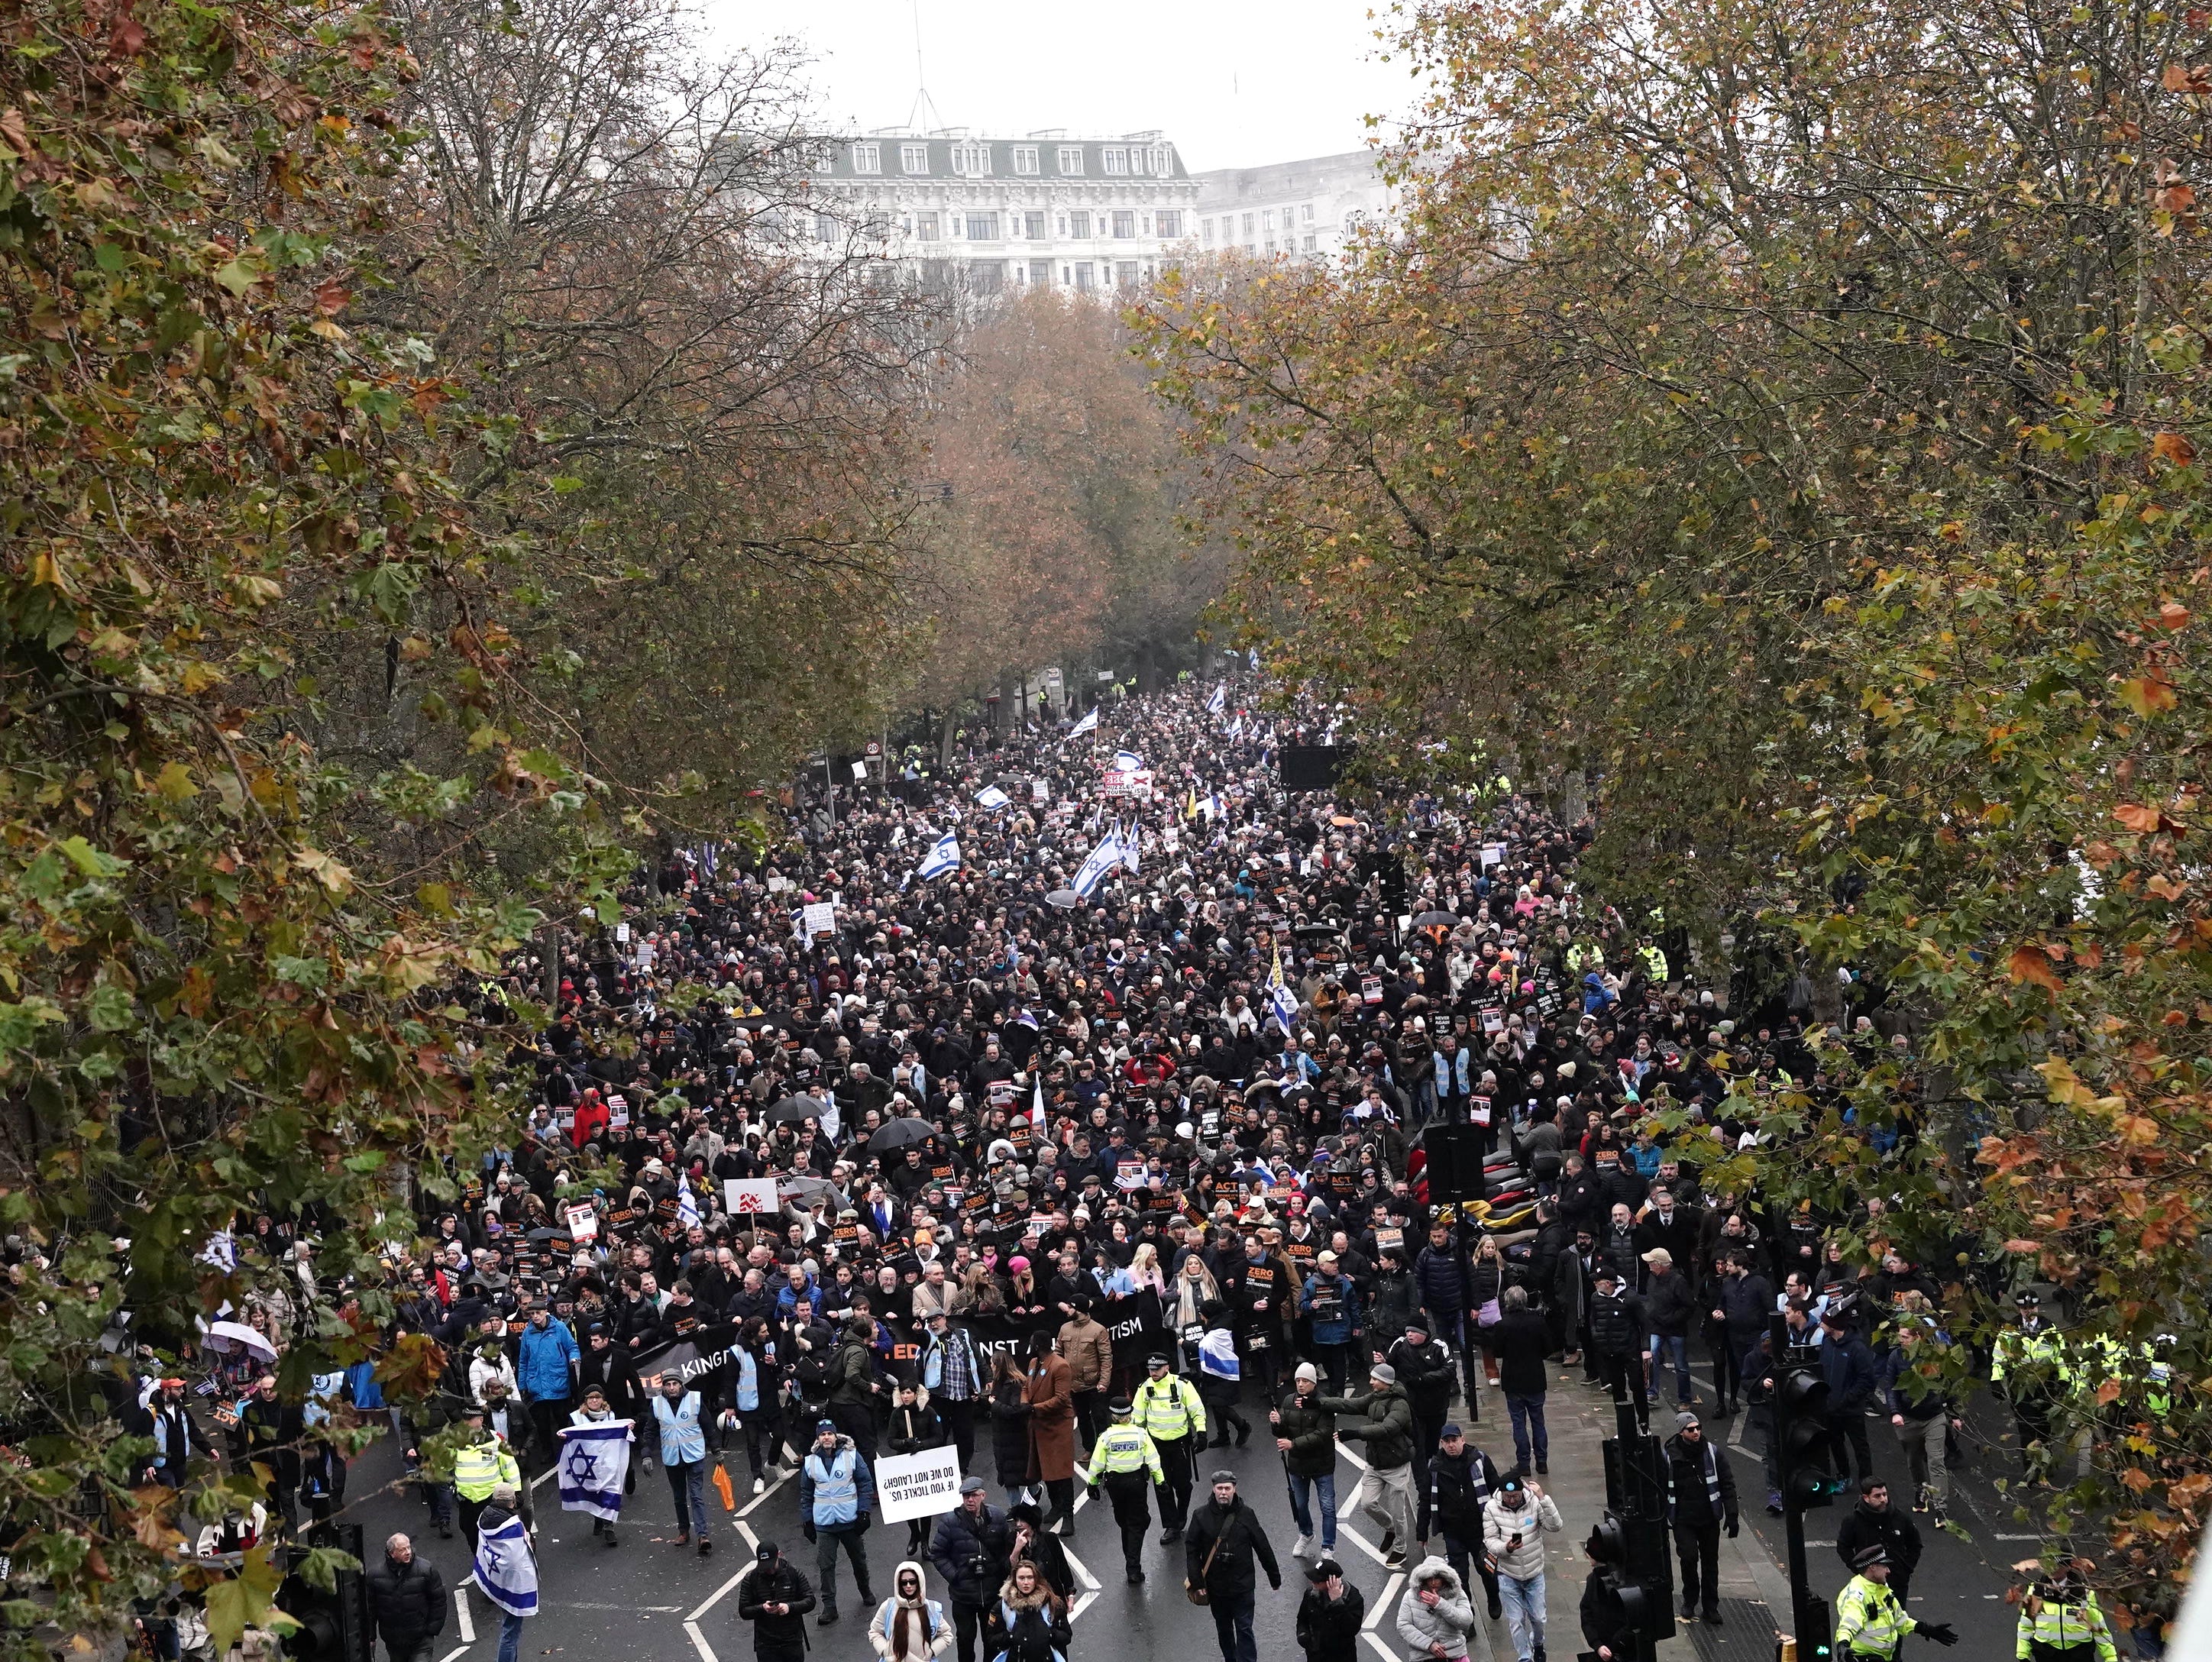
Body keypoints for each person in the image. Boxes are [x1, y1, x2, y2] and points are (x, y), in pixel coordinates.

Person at [1317, 1362, 1418, 1569]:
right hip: (1375, 1463)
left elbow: (1387, 1429)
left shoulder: (1400, 1405)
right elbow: (1349, 1405)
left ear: (1386, 1382)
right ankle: (1390, 1529)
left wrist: (1354, 1434)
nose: (1370, 1382)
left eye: (1375, 1379)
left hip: (1396, 1465)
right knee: (1367, 1504)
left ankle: (1400, 1550)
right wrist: (1319, 1402)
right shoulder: (1374, 1398)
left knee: (1399, 1512)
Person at [1184, 1471, 1282, 1662]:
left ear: (1234, 1490)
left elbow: (1262, 1545)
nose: (1223, 1492)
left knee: (1244, 1628)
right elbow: (1192, 1550)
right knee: (1224, 1629)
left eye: (1227, 1488)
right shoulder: (1201, 1515)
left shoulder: (1246, 1514)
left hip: (1243, 1586)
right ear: (1213, 1489)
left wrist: (1274, 1577)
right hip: (1216, 1587)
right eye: (1219, 1488)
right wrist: (1197, 1582)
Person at [800, 1416, 878, 1624]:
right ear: (818, 1438)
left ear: (836, 1436)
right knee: (825, 1566)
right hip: (824, 1524)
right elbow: (806, 1494)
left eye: (829, 1434)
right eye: (823, 1434)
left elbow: (865, 1483)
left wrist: (864, 1512)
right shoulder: (810, 1462)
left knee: (859, 1560)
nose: (826, 1437)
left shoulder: (851, 1456)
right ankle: (830, 1607)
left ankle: (865, 1590)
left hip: (850, 1520)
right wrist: (807, 1521)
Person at [1663, 1411, 1736, 1625]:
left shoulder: (1713, 1453)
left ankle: (1710, 1607)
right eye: (1691, 1429)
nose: (1696, 1432)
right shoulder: (1668, 1456)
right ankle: (1690, 1600)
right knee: (1688, 1558)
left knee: (1710, 1563)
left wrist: (1732, 1515)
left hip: (1708, 1518)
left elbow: (1727, 1484)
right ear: (1681, 1432)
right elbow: (1659, 1487)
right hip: (1683, 1519)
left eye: (1698, 1428)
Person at [1082, 1395, 1163, 1582]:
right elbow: (1153, 1459)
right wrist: (1161, 1481)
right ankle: (1133, 1566)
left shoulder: (1106, 1437)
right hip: (1136, 1483)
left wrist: (1092, 1484)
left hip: (1115, 1485)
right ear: (1130, 1414)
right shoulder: (1140, 1434)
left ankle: (1130, 1556)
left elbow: (1096, 1463)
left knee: (1124, 1521)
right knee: (1138, 1522)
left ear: (1113, 1416)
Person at [1481, 1476, 1563, 1662]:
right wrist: (1506, 1548)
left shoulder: (1534, 1503)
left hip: (1534, 1574)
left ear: (1522, 1493)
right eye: (1508, 1496)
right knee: (1516, 1621)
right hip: (1508, 1575)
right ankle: (1525, 1657)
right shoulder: (1491, 1508)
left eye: (1515, 1496)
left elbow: (1556, 1526)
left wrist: (1544, 1499)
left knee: (1539, 1619)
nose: (1511, 1500)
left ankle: (1538, 1644)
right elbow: (1490, 1540)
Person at [1425, 1424, 1503, 1621]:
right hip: (1453, 1533)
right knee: (1459, 1579)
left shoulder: (1479, 1460)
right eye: (1447, 1442)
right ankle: (1467, 1615)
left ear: (1463, 1439)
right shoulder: (1435, 1466)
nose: (1451, 1445)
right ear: (1442, 1443)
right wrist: (1421, 1532)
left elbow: (1496, 1490)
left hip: (1480, 1530)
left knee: (1487, 1571)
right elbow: (1426, 1499)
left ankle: (1493, 1598)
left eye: (1455, 1440)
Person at [931, 1476, 1013, 1662]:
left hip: (992, 1594)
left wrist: (1002, 1573)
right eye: (966, 1496)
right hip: (963, 1597)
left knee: (991, 1640)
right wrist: (955, 1576)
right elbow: (938, 1553)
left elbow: (1005, 1549)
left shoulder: (997, 1517)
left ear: (983, 1495)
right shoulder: (950, 1522)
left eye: (974, 1495)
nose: (969, 1500)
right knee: (965, 1640)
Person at [1131, 1350, 1206, 1542]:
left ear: (1167, 1367)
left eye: (1157, 1369)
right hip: (1156, 1446)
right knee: (1162, 1486)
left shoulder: (1182, 1385)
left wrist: (1202, 1432)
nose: (1153, 1373)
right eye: (1150, 1369)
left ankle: (1181, 1516)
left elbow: (1197, 1409)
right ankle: (1172, 1526)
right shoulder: (1144, 1388)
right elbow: (1137, 1419)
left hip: (1180, 1443)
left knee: (1183, 1486)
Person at [1835, 1546, 1956, 1659]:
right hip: (1863, 1657)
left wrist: (1926, 1629)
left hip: (1883, 1657)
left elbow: (1899, 1619)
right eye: (1884, 1566)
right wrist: (1843, 1645)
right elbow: (1849, 1624)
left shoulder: (1881, 1589)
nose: (1888, 1571)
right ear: (1872, 1567)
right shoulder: (1857, 1594)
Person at [1273, 1361, 1338, 1559]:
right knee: (1300, 1505)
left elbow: (1323, 1434)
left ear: (1314, 1383)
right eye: (1298, 1380)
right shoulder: (1288, 1401)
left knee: (1327, 1507)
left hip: (1322, 1465)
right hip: (1297, 1465)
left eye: (1305, 1381)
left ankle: (1328, 1546)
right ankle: (1306, 1534)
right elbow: (1282, 1431)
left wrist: (1293, 1445)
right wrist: (1277, 1424)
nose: (1300, 1384)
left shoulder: (1324, 1404)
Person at [561, 1382, 635, 1547]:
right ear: (585, 1401)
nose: (594, 1401)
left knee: (610, 1489)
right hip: (587, 1462)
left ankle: (609, 1528)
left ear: (603, 1400)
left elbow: (619, 1433)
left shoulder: (611, 1416)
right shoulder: (575, 1417)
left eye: (597, 1397)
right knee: (593, 1490)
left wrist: (626, 1429)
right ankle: (597, 1517)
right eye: (591, 1398)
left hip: (608, 1461)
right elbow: (570, 1435)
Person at [471, 1484, 536, 1662]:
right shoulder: (513, 1527)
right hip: (511, 1584)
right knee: (510, 1632)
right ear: (512, 1501)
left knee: (510, 1629)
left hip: (496, 1578)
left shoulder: (485, 1515)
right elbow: (518, 1557)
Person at [1489, 1287, 1551, 1476]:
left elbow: (1497, 1352)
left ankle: (1523, 1463)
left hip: (1513, 1379)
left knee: (1518, 1423)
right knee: (1538, 1422)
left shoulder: (1502, 1325)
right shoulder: (1538, 1322)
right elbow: (1548, 1349)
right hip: (1535, 1377)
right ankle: (1542, 1462)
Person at [1834, 1478, 1922, 1609]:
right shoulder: (1853, 1521)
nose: (1883, 1499)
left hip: (1897, 1581)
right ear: (1866, 1497)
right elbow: (1843, 1547)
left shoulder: (1901, 1518)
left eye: (1885, 1494)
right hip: (1869, 1584)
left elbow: (1915, 1544)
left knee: (1899, 1620)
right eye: (1877, 1496)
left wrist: (1906, 1568)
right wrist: (1859, 1569)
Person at [1022, 1333, 1078, 1537]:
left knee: (1061, 1473)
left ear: (1037, 1345)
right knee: (1047, 1470)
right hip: (1038, 1425)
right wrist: (1024, 1403)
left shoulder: (1060, 1366)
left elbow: (1061, 1399)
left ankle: (1068, 1515)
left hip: (1057, 1425)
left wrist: (1033, 1408)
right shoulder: (1033, 1363)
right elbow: (1026, 1387)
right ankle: (1056, 1507)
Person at [654, 1373, 716, 1555]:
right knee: (679, 1497)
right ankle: (683, 1531)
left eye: (675, 1384)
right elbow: (650, 1429)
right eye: (668, 1384)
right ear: (663, 1387)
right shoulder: (657, 1404)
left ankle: (703, 1535)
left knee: (696, 1495)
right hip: (672, 1458)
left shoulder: (694, 1399)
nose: (671, 1387)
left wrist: (716, 1451)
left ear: (681, 1384)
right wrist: (646, 1455)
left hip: (694, 1456)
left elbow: (707, 1425)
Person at [516, 1303, 579, 1470]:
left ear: (546, 1312)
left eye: (538, 1312)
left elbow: (572, 1347)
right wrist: (522, 1385)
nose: (535, 1316)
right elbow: (523, 1361)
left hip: (558, 1381)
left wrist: (573, 1360)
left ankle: (567, 1448)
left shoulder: (559, 1328)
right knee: (541, 1423)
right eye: (532, 1314)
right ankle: (547, 1450)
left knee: (562, 1419)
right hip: (537, 1385)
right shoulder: (528, 1333)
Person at [366, 1533, 446, 1662]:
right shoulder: (375, 1576)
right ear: (392, 1553)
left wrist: (432, 1630)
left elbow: (439, 1600)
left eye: (408, 1547)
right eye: (402, 1550)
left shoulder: (426, 1570)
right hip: (394, 1642)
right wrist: (371, 1637)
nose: (408, 1552)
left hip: (421, 1639)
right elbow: (370, 1608)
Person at [451, 1405, 522, 1550]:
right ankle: (482, 1564)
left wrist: (516, 1493)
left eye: (471, 1419)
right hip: (467, 1500)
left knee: (497, 1537)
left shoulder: (496, 1440)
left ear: (481, 1420)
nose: (466, 1423)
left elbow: (510, 1467)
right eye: (465, 1420)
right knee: (472, 1536)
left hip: (490, 1500)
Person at [2015, 1567, 2119, 1662]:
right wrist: (2023, 1655)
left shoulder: (2084, 1593)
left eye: (2056, 1565)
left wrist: (2110, 1657)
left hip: (2080, 1655)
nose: (2052, 1568)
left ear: (2067, 1567)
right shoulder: (2036, 1592)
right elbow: (2026, 1626)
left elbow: (2098, 1628)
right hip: (2046, 1655)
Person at [738, 1540, 818, 1662]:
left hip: (791, 1641)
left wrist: (789, 1607)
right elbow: (744, 1611)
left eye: (771, 1565)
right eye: (765, 1566)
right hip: (766, 1645)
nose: (769, 1570)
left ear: (779, 1555)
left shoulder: (794, 1574)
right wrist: (762, 1608)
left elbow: (810, 1601)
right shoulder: (751, 1579)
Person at [868, 1560, 952, 1662]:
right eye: (904, 1583)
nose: (908, 1586)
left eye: (912, 1582)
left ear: (919, 1582)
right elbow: (874, 1632)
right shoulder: (888, 1607)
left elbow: (946, 1635)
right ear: (898, 1583)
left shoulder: (932, 1609)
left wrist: (931, 1652)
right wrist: (886, 1652)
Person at [1394, 1557, 1476, 1662]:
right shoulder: (1410, 1596)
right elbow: (1403, 1624)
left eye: (1437, 1578)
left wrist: (1440, 1605)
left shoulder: (1457, 1593)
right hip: (1423, 1656)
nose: (1433, 1582)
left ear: (1444, 1578)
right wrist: (1429, 1644)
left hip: (1454, 1654)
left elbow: (1466, 1621)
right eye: (1429, 1578)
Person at [987, 1561, 1070, 1662]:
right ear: (1014, 1579)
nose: (1026, 1582)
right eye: (1021, 1578)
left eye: (1030, 1577)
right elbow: (992, 1638)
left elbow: (1066, 1636)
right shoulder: (1003, 1606)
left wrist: (1049, 1634)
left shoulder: (1053, 1603)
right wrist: (1012, 1637)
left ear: (1036, 1579)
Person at [1296, 1557, 1366, 1662]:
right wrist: (1303, 1636)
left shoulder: (1353, 1598)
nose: (1313, 1582)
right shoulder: (1311, 1593)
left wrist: (1337, 1603)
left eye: (1317, 1581)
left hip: (1342, 1657)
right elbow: (1302, 1619)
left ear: (1331, 1582)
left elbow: (1351, 1629)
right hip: (1316, 1656)